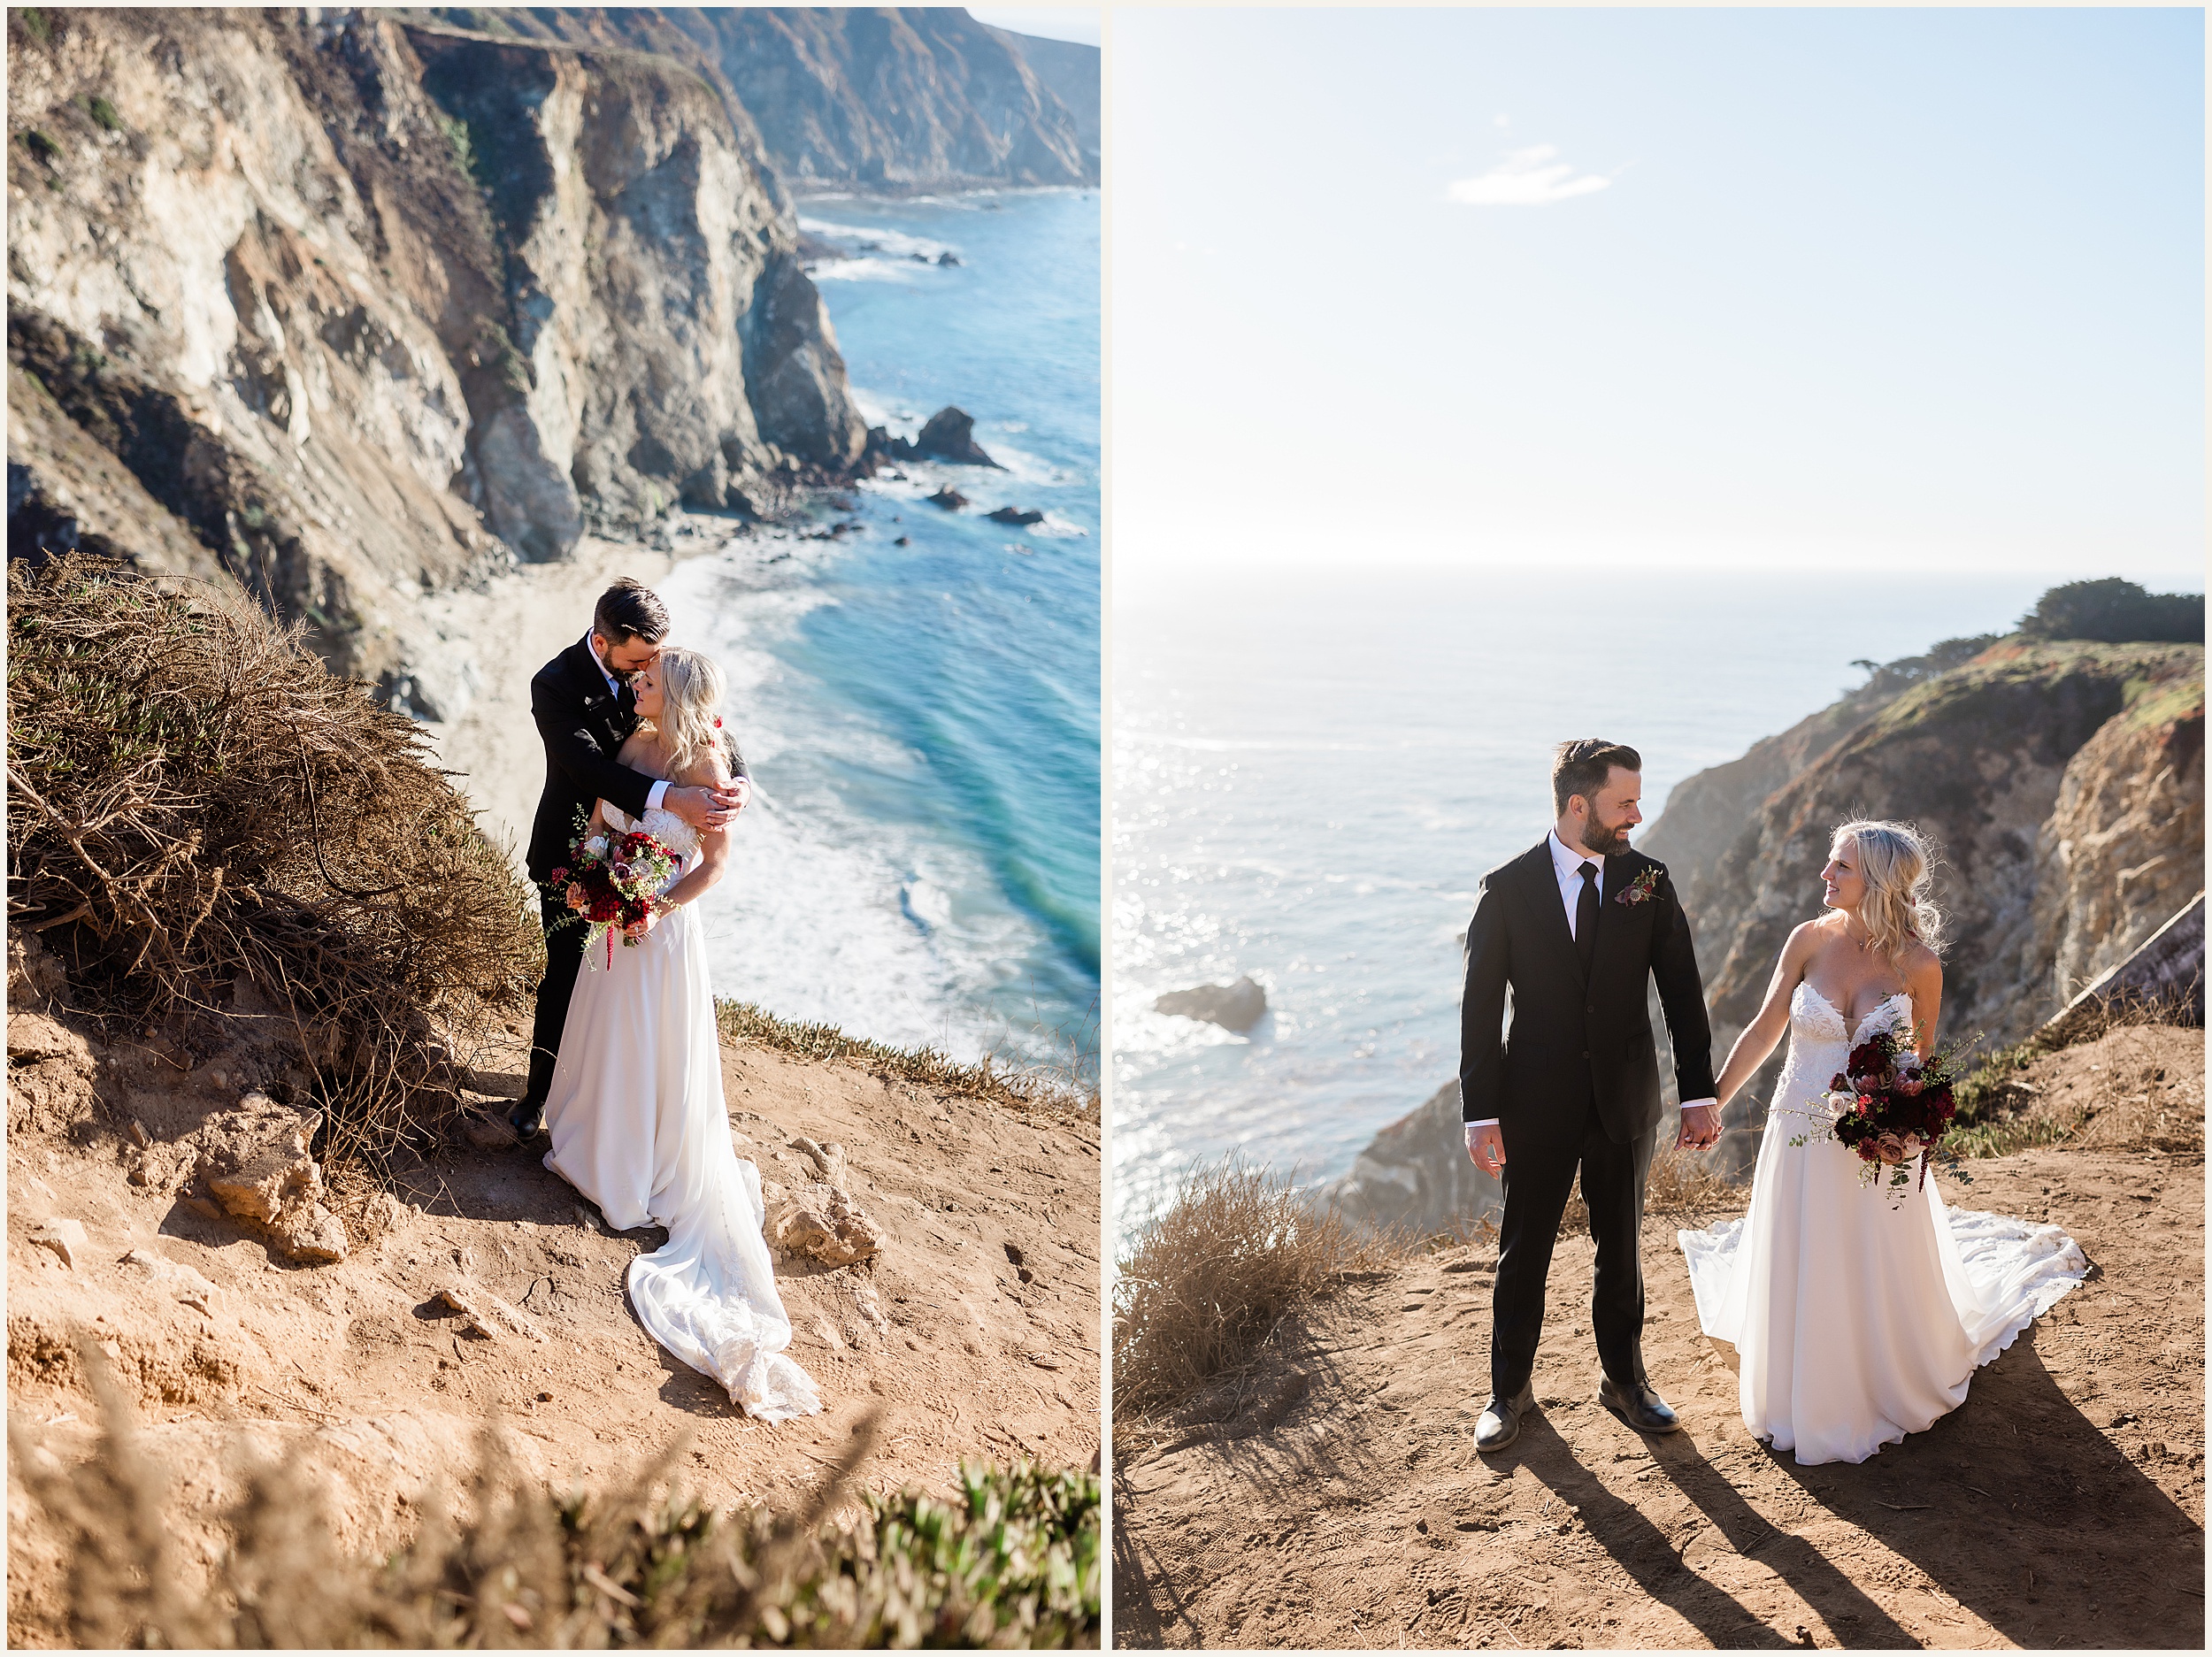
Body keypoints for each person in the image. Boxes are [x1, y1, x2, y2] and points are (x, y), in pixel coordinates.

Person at [1677, 820, 2086, 1465]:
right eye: (1829, 863)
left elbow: (1918, 1061)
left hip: (1877, 1144)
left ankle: (1878, 1380)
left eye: (1840, 866)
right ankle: (1801, 1387)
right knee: (1804, 1249)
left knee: (1869, 1258)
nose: (1825, 876)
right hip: (1798, 1133)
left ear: (1878, 881)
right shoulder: (1807, 940)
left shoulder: (1920, 965)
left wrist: (1904, 1126)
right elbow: (1762, 1030)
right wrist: (1709, 1103)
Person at [539, 643, 821, 1423]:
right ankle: (587, 1133)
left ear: (678, 689)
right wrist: (599, 869)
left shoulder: (708, 765)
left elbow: (715, 867)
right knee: (604, 1031)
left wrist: (654, 904)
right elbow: (604, 812)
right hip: (613, 919)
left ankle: (637, 1163)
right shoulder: (633, 745)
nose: (639, 683)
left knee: (650, 1045)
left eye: (651, 678)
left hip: (660, 931)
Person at [1460, 739, 1720, 1454]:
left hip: (1625, 1100)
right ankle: (1507, 1392)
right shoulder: (1507, 890)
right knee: (1524, 1252)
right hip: (1534, 1103)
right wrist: (1479, 1111)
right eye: (1624, 802)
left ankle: (1625, 1380)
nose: (1638, 814)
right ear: (1579, 806)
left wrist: (1698, 1092)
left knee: (1623, 1250)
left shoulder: (1650, 880)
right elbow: (1480, 1008)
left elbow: (1683, 995)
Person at [513, 579, 748, 1139]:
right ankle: (540, 1093)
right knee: (566, 972)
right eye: (639, 662)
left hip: (652, 870)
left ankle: (608, 1098)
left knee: (624, 994)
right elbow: (590, 771)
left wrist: (739, 783)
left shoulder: (656, 670)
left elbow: (703, 721)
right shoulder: (555, 685)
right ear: (602, 642)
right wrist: (677, 800)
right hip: (570, 852)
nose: (646, 672)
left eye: (653, 664)